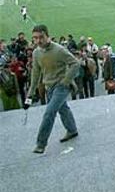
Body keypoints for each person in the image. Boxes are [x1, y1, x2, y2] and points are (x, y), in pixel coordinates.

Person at [24, 24, 79, 154]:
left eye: (40, 37)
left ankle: (41, 144)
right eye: (35, 38)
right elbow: (35, 73)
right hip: (49, 86)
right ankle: (72, 130)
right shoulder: (36, 53)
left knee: (49, 112)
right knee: (63, 109)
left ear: (47, 36)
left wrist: (66, 81)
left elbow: (75, 63)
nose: (38, 41)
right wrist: (30, 93)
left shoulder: (59, 50)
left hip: (61, 86)